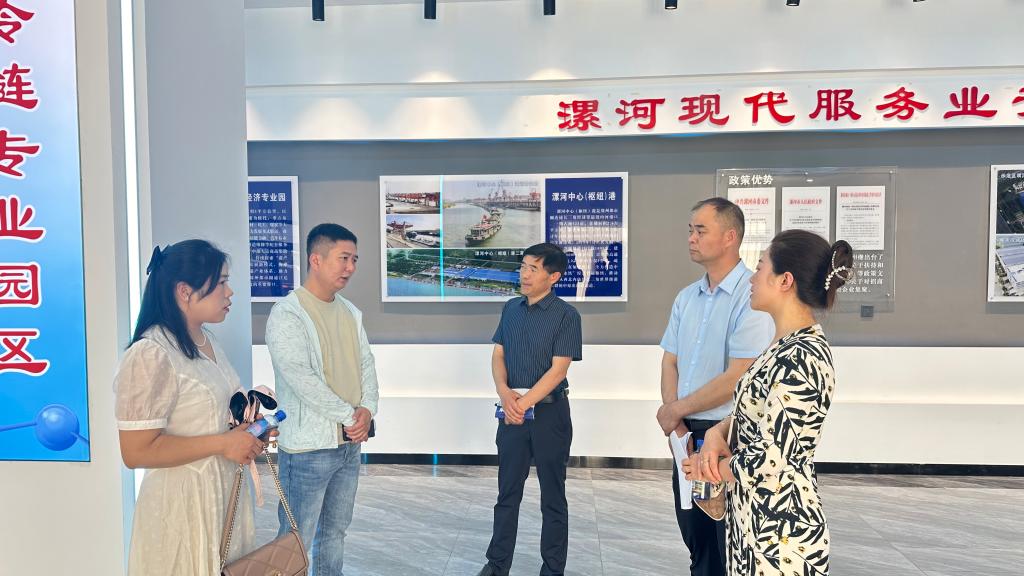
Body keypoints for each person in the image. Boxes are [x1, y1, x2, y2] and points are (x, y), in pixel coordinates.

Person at [683, 230, 854, 576]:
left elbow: (772, 457)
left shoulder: (803, 357)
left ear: (784, 281)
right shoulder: (783, 345)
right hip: (755, 522)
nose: (752, 278)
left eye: (760, 267)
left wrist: (709, 468)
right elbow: (760, 412)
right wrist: (718, 432)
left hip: (781, 534)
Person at [115, 240, 264, 575]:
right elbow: (135, 451)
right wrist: (224, 443)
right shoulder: (151, 353)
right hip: (182, 505)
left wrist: (249, 431)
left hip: (223, 495)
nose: (230, 293)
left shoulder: (207, 341)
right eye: (221, 282)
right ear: (184, 291)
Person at [656, 197, 775, 576]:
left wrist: (675, 410)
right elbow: (670, 361)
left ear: (730, 237)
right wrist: (676, 422)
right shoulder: (686, 297)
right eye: (690, 230)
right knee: (697, 542)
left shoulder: (751, 297)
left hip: (725, 436)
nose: (691, 238)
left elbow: (740, 374)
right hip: (685, 436)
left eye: (700, 230)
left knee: (727, 546)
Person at [265, 223, 380, 576]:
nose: (350, 267)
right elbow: (301, 379)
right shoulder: (288, 314)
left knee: (334, 534)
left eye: (354, 259)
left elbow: (366, 364)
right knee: (295, 539)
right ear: (316, 259)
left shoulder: (350, 312)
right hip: (307, 450)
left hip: (348, 445)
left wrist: (367, 409)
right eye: (343, 258)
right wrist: (350, 415)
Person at [477, 243, 583, 576]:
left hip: (550, 415)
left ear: (553, 277)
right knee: (507, 493)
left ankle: (552, 569)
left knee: (553, 496)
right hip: (511, 413)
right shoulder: (511, 308)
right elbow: (498, 355)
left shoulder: (566, 316)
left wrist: (522, 404)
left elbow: (558, 370)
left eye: (532, 269)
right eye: (523, 267)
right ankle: (497, 566)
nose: (524, 274)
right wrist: (504, 392)